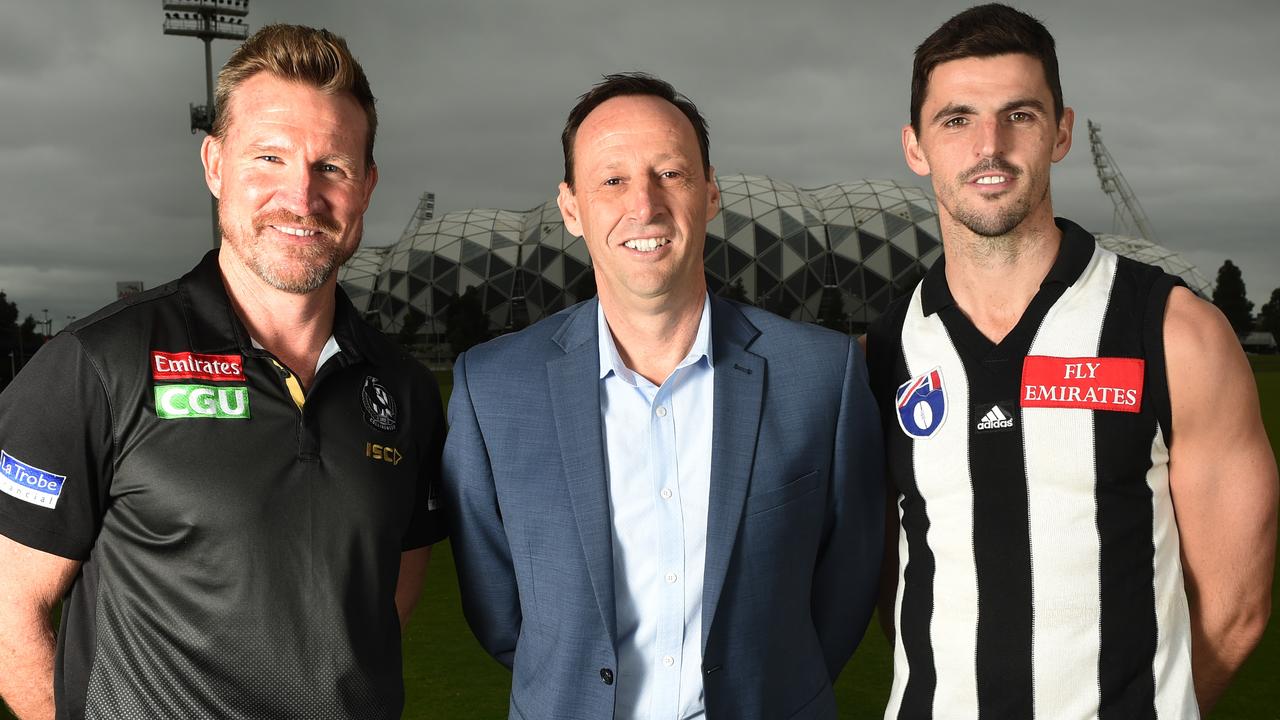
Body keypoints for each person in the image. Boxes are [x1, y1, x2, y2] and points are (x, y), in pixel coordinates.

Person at [0, 24, 446, 719]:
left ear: (367, 185)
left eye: (332, 165)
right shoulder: (94, 366)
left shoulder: (407, 392)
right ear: (214, 164)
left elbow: (385, 602)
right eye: (268, 157)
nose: (301, 196)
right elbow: (8, 613)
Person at [867, 5, 1278, 718]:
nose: (988, 146)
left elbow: (1238, 604)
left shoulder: (1175, 332)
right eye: (956, 119)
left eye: (1018, 115)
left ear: (1060, 132)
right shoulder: (886, 350)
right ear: (915, 145)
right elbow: (889, 580)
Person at [442, 72, 885, 719]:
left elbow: (846, 589)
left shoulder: (823, 375)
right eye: (612, 179)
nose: (643, 205)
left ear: (709, 193)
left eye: (670, 174)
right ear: (571, 207)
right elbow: (497, 609)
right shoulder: (493, 387)